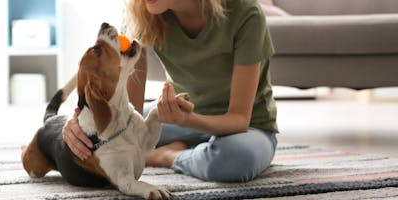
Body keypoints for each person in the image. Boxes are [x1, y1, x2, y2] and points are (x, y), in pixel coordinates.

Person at [63, 0, 278, 183]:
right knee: (92, 139)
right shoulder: (140, 12)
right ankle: (195, 150)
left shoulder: (245, 13)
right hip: (176, 117)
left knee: (233, 159)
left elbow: (239, 119)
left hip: (247, 129)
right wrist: (79, 124)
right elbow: (131, 111)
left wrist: (187, 121)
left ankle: (167, 156)